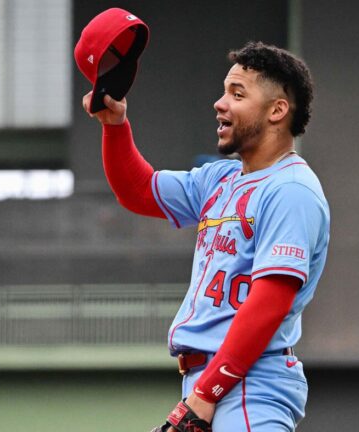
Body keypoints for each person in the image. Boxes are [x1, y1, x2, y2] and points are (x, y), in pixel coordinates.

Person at [82, 41, 330, 432]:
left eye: (237, 93)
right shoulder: (222, 177)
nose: (220, 103)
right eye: (224, 91)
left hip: (250, 384)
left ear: (277, 111)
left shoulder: (291, 189)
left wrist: (207, 395)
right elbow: (138, 190)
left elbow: (269, 303)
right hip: (212, 381)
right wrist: (115, 125)